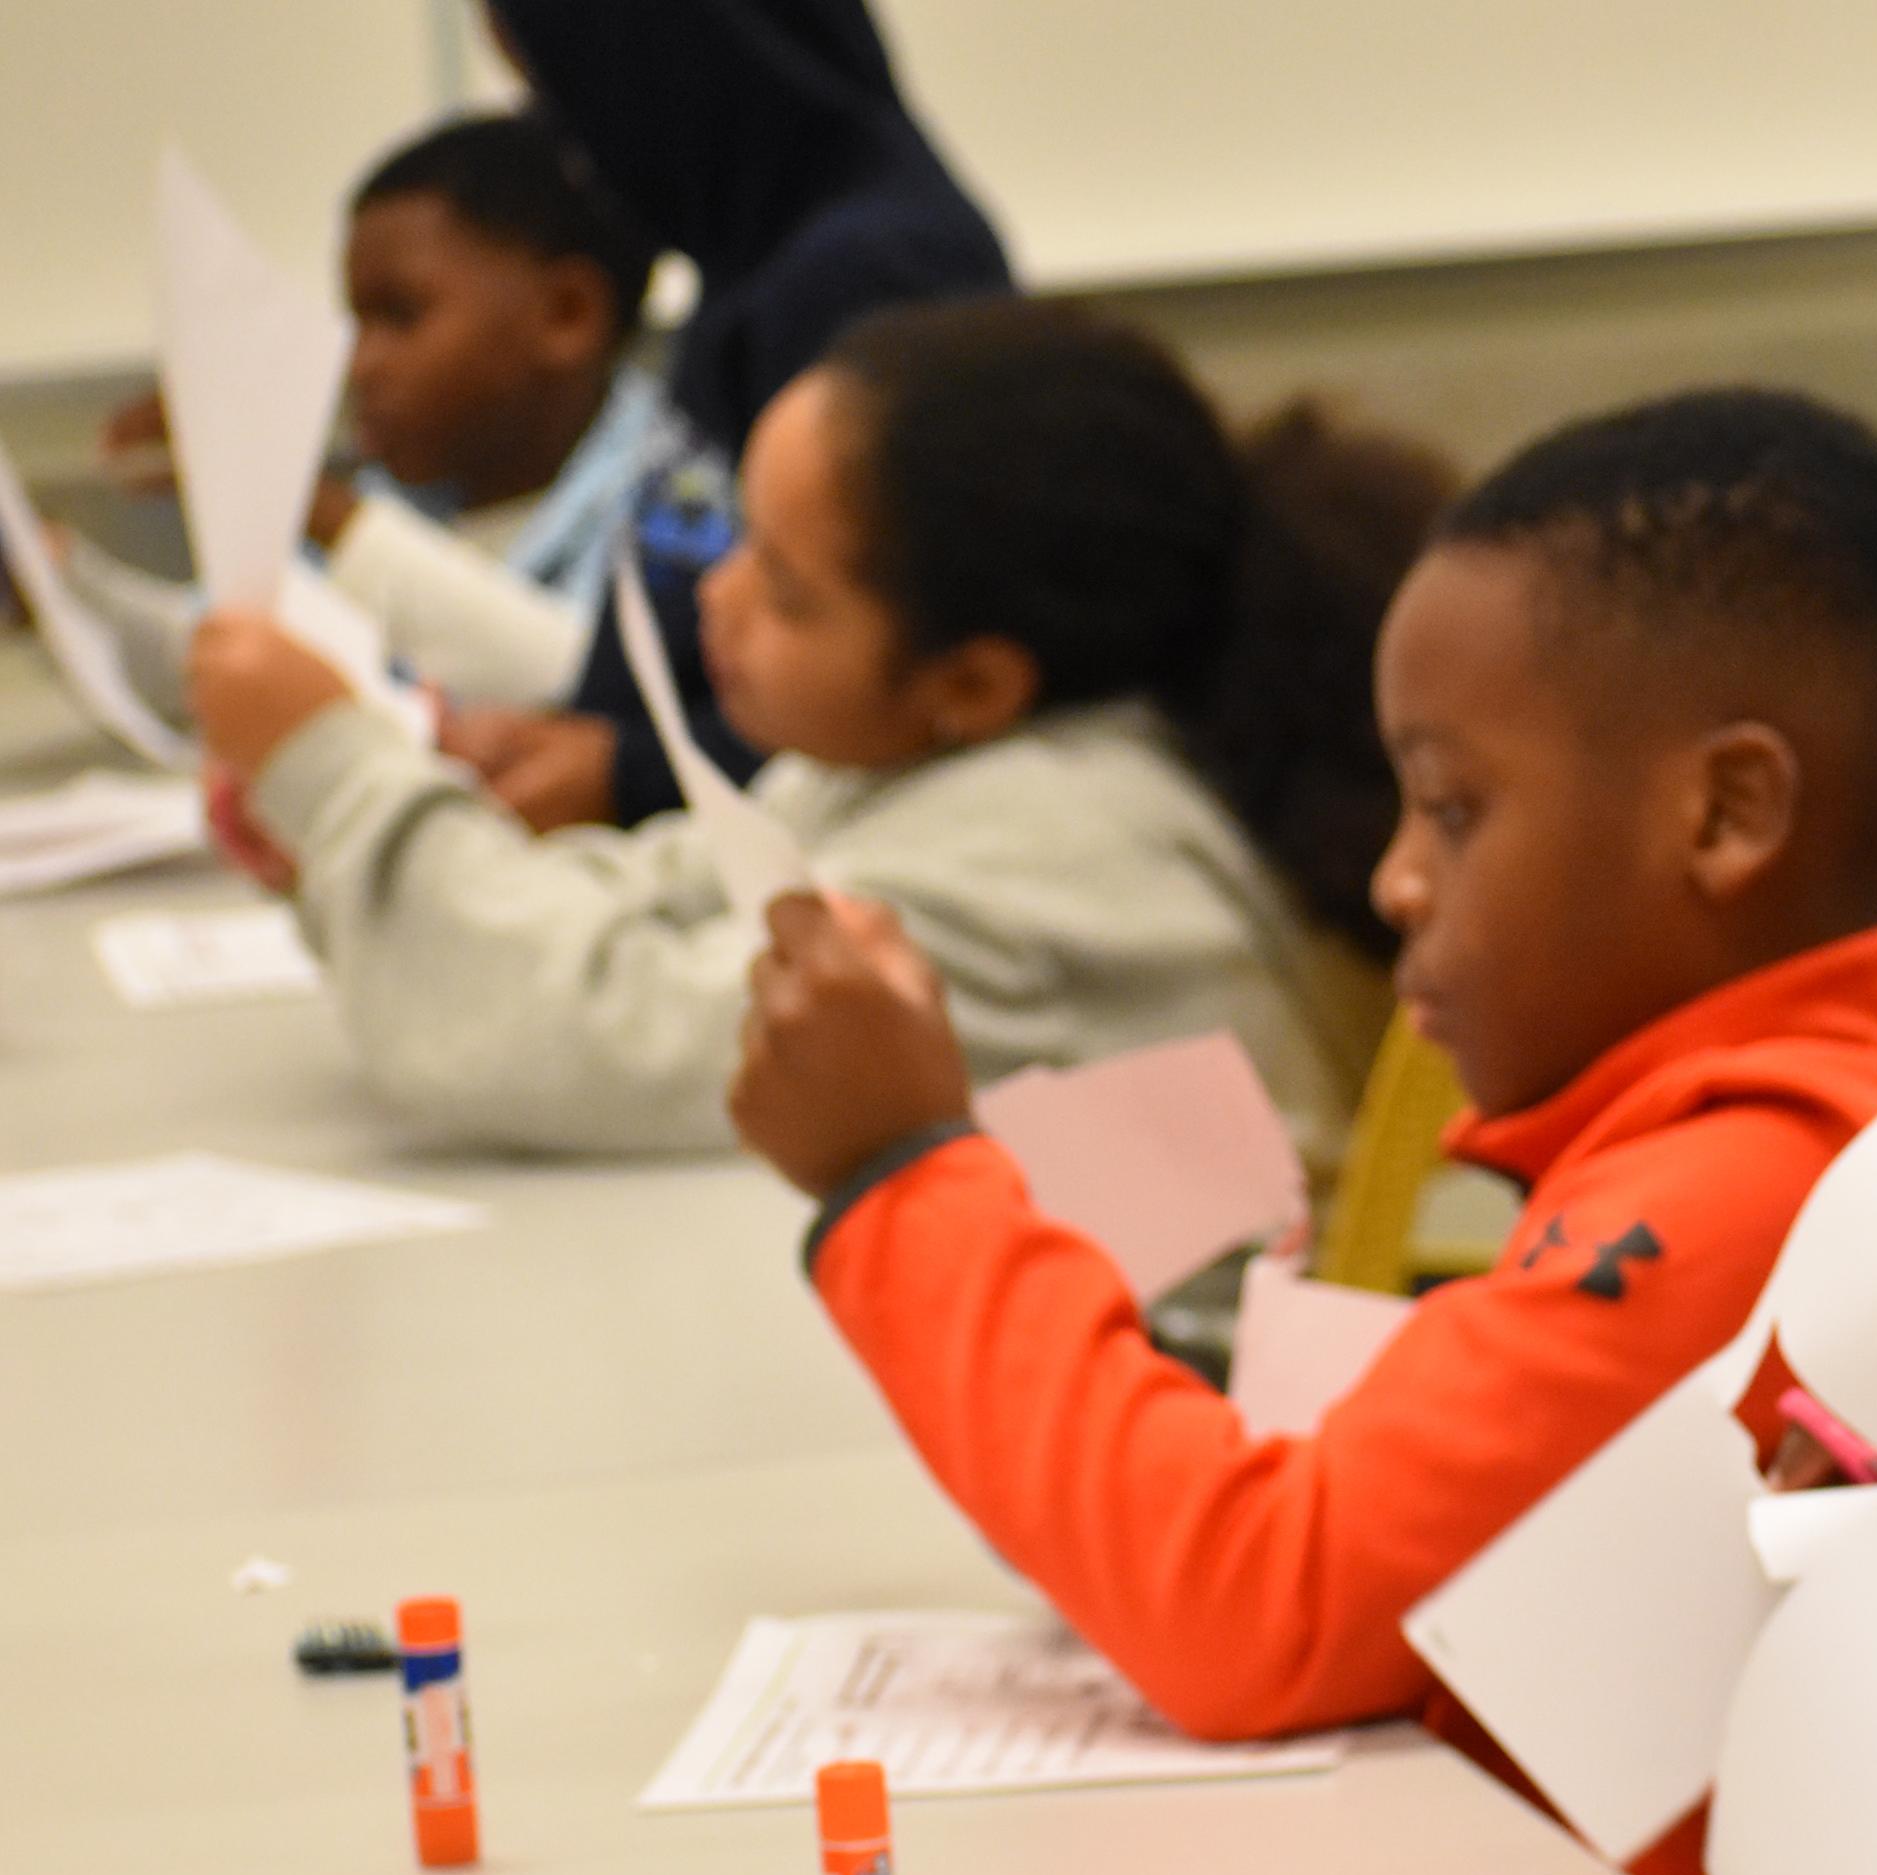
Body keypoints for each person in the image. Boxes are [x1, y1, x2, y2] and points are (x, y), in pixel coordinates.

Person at [725, 388, 1877, 1875]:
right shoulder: (1782, 1129)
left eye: (1456, 809)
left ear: (1724, 815)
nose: (1396, 878)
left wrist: (902, 1174)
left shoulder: (1749, 1191)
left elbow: (1257, 1606)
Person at [183, 296, 1443, 1157]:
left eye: (786, 589)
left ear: (974, 682)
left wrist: (336, 774)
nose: (718, 597)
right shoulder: (924, 763)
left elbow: (597, 1031)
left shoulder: (1057, 848)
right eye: (740, 538)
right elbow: (648, 900)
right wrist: (348, 844)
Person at [455, 0, 1015, 831]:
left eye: (566, 97)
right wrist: (574, 740)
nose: (568, 159)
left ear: (664, 69)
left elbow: (885, 689)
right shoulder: (760, 253)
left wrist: (626, 776)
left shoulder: (871, 273)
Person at [80, 111, 663, 718]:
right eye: (356, 322)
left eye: (400, 316)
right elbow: (211, 668)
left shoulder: (682, 493)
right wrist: (59, 584)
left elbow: (592, 682)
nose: (358, 364)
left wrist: (306, 501)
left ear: (567, 315)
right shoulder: (396, 498)